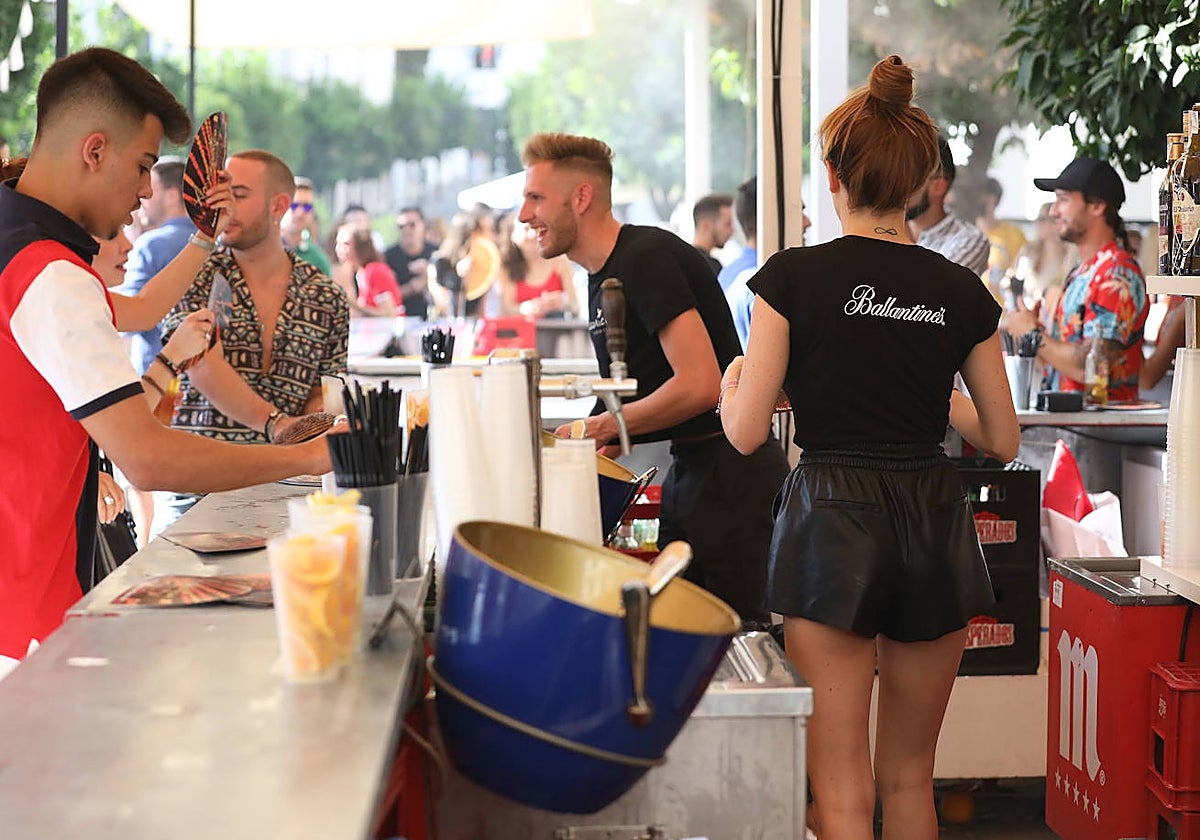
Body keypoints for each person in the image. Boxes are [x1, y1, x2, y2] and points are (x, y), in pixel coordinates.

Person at [716, 56, 1019, 840]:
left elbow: (748, 431)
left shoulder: (789, 279)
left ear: (831, 174)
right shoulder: (961, 292)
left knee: (842, 790)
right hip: (933, 519)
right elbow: (1002, 435)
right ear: (920, 179)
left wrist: (736, 380)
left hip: (832, 524)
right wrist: (927, 388)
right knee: (911, 779)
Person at [0, 47, 331, 665]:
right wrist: (307, 454)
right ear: (94, 151)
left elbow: (145, 311)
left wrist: (205, 236)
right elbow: (147, 457)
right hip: (30, 619)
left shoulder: (24, 250)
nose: (150, 191)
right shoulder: (50, 274)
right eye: (143, 164)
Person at [518, 131, 790, 626]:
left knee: (736, 643)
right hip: (694, 473)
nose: (522, 215)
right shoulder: (600, 278)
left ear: (581, 198)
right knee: (679, 634)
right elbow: (631, 398)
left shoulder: (644, 258)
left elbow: (700, 385)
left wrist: (600, 430)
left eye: (535, 197)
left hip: (732, 477)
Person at [163, 149, 350, 444]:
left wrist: (320, 420)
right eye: (219, 194)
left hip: (289, 478)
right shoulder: (195, 274)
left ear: (278, 207)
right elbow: (199, 361)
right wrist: (277, 424)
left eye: (237, 194)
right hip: (201, 478)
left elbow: (324, 389)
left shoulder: (326, 295)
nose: (223, 206)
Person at [1006, 157, 1149, 403]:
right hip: (1071, 429)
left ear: (1096, 206)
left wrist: (1032, 334)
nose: (1053, 211)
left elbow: (1092, 368)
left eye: (1063, 199)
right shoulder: (1083, 271)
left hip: (1102, 433)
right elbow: (1057, 362)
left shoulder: (1116, 275)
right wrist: (1030, 327)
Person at [116, 157, 195, 376]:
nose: (143, 197)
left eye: (151, 189)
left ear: (172, 196)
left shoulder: (150, 245)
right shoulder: (214, 244)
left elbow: (128, 319)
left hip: (157, 374)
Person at [724, 179, 811, 350]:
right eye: (799, 212)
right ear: (772, 218)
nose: (807, 222)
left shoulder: (728, 273)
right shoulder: (766, 283)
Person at [906, 135, 991, 277]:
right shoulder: (884, 230)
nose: (897, 187)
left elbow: (924, 289)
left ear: (938, 186)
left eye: (908, 178)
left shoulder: (969, 240)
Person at [497, 215, 579, 319]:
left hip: (555, 330)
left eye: (536, 229)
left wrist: (562, 302)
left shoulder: (560, 262)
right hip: (522, 332)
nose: (532, 235)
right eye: (526, 229)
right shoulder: (505, 267)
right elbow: (505, 309)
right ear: (512, 235)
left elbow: (575, 306)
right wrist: (525, 309)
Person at [333, 223, 403, 316]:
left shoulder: (375, 271)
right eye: (338, 244)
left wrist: (352, 303)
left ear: (360, 246)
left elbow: (389, 314)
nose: (339, 249)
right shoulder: (359, 273)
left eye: (345, 244)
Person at [383, 206, 436, 318]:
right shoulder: (388, 257)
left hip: (434, 320)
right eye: (401, 226)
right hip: (400, 321)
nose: (407, 230)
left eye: (412, 225)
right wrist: (412, 287)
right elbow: (384, 297)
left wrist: (430, 273)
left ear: (423, 225)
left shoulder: (436, 253)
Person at [976, 175, 1027, 291]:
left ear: (992, 199)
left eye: (979, 194)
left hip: (1002, 307)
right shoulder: (963, 236)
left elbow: (1022, 274)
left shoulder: (1014, 235)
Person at [280, 176, 332, 275]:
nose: (300, 213)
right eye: (294, 205)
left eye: (307, 207)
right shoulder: (261, 251)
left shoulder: (317, 260)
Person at [691, 193, 734, 277]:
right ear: (705, 225)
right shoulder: (709, 267)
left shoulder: (682, 261)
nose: (732, 230)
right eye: (727, 224)